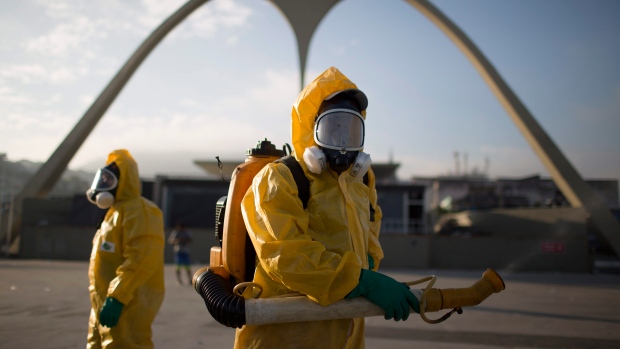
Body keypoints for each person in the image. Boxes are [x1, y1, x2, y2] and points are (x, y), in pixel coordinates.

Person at [234, 67, 419, 348]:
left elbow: (370, 239)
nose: (343, 143)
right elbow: (284, 255)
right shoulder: (280, 179)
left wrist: (365, 269)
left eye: (351, 130)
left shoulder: (361, 183)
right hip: (285, 335)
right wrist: (362, 282)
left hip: (347, 330)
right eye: (334, 129)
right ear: (311, 128)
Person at [85, 149, 165, 349]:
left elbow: (142, 259)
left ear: (123, 181)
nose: (103, 184)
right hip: (104, 302)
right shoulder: (114, 213)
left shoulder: (140, 211)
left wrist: (118, 296)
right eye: (101, 178)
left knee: (126, 344)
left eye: (108, 179)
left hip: (128, 303)